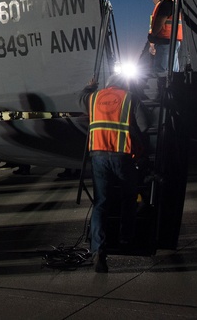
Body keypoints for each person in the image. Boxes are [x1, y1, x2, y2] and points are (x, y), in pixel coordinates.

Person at [82, 75, 144, 273]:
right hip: (122, 156)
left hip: (98, 155)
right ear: (125, 84)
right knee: (128, 198)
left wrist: (90, 87)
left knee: (100, 203)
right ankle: (126, 238)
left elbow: (81, 98)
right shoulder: (129, 97)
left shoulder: (93, 98)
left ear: (107, 85)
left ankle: (98, 251)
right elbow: (145, 124)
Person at [148, 0, 183, 96]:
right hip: (172, 42)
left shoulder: (167, 3)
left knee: (162, 73)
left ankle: (164, 98)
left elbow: (160, 22)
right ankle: (173, 97)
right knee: (173, 72)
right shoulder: (173, 0)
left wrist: (152, 36)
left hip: (165, 42)